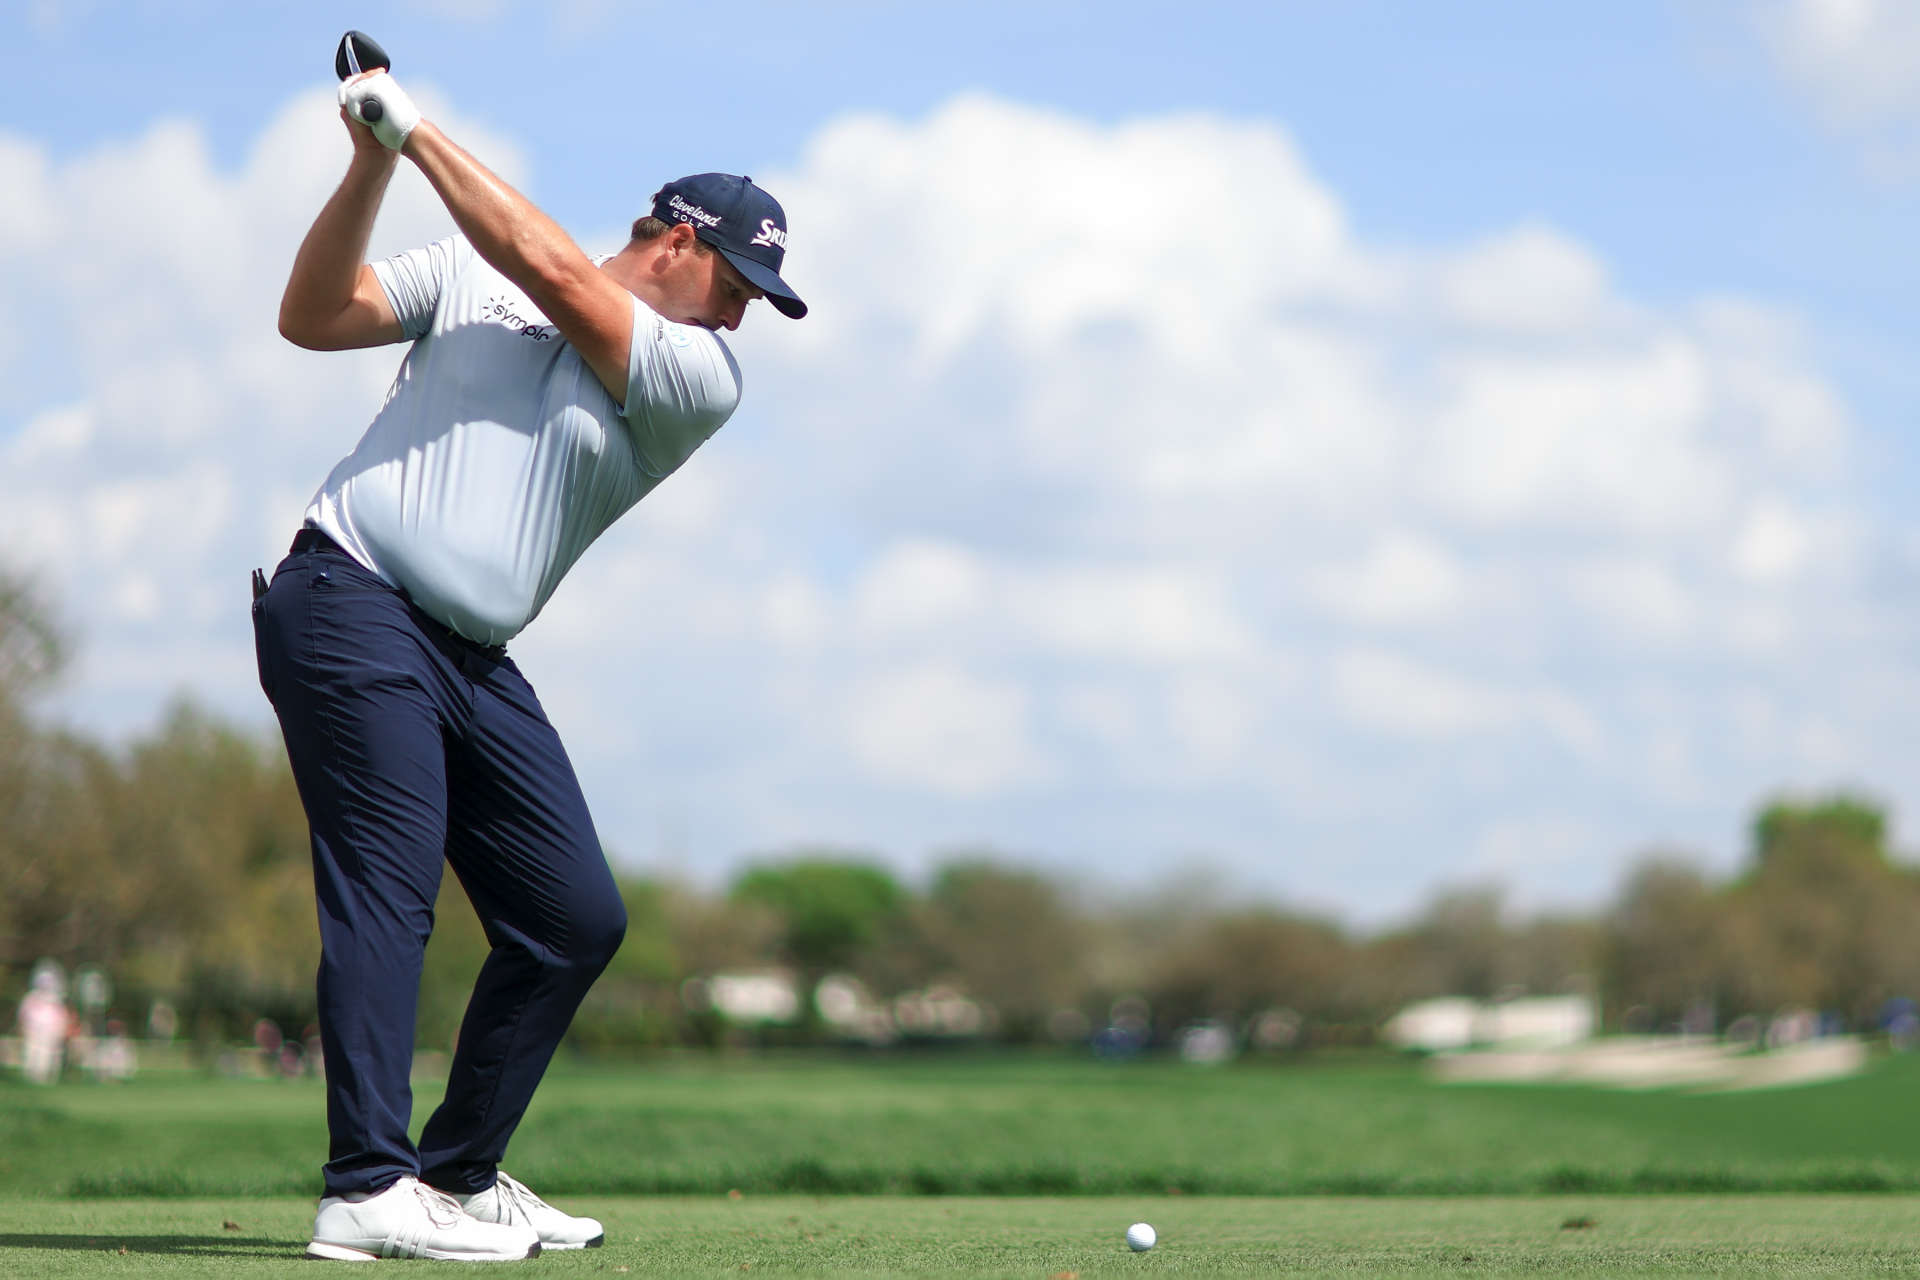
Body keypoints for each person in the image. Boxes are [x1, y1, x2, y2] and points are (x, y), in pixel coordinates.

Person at [254, 42, 806, 1263]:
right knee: (391, 889)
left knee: (573, 916)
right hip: (348, 596)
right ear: (673, 235)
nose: (740, 314)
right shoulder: (466, 268)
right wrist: (367, 169)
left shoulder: (695, 377)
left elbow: (546, 261)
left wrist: (415, 130)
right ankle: (366, 1184)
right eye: (736, 281)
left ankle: (455, 1172)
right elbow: (310, 318)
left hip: (471, 654)